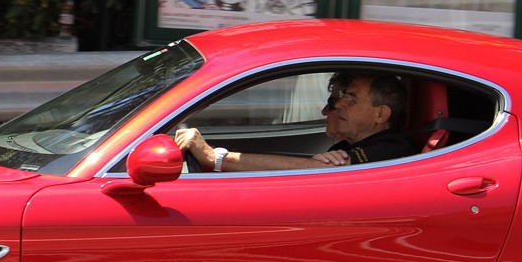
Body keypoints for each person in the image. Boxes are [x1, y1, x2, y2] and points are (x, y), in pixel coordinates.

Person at [174, 72, 416, 173]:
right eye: (340, 99)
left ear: (380, 115)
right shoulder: (350, 148)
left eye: (351, 99)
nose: (339, 105)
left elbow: (321, 172)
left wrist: (215, 158)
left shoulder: (392, 150)